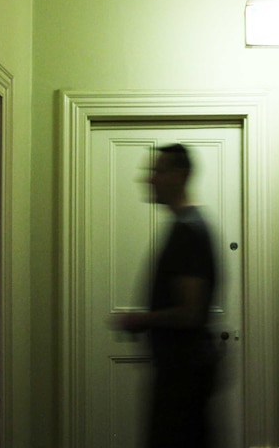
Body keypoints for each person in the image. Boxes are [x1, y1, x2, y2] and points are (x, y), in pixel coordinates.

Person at [114, 143, 219, 448]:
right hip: (180, 374)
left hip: (182, 379)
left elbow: (191, 311)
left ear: (181, 174)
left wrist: (141, 319)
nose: (148, 180)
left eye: (158, 171)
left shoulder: (188, 229)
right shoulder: (185, 226)